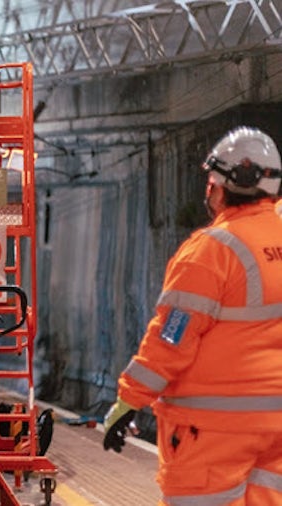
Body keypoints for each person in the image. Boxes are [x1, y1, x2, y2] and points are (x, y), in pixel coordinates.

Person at [102, 126, 282, 505]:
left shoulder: (213, 251)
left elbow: (171, 338)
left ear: (221, 185)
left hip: (214, 429)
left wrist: (128, 401)